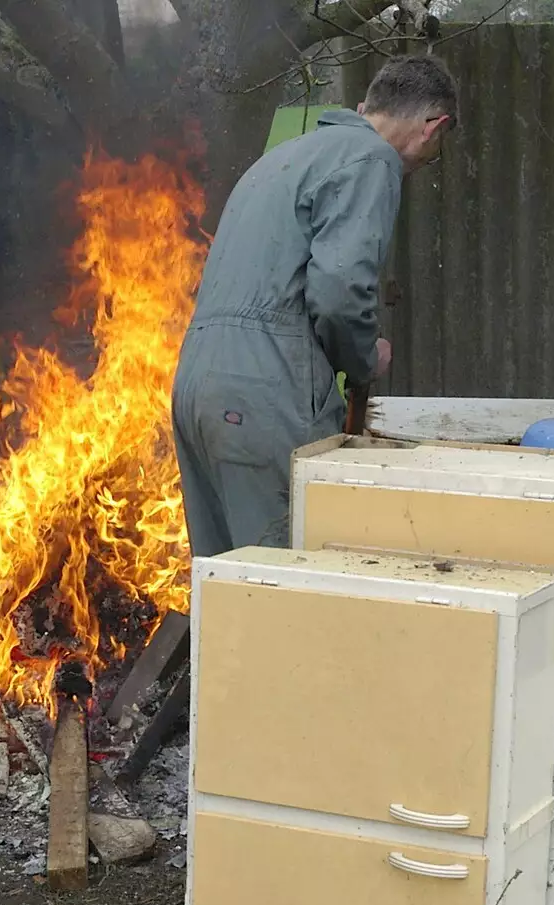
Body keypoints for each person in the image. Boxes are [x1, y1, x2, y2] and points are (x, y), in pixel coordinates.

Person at [171, 54, 459, 557]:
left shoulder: (285, 158)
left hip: (195, 387)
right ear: (434, 127)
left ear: (365, 106)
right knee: (284, 584)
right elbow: (339, 292)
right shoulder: (371, 160)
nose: (418, 167)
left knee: (222, 589)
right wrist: (367, 356)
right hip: (265, 395)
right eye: (431, 155)